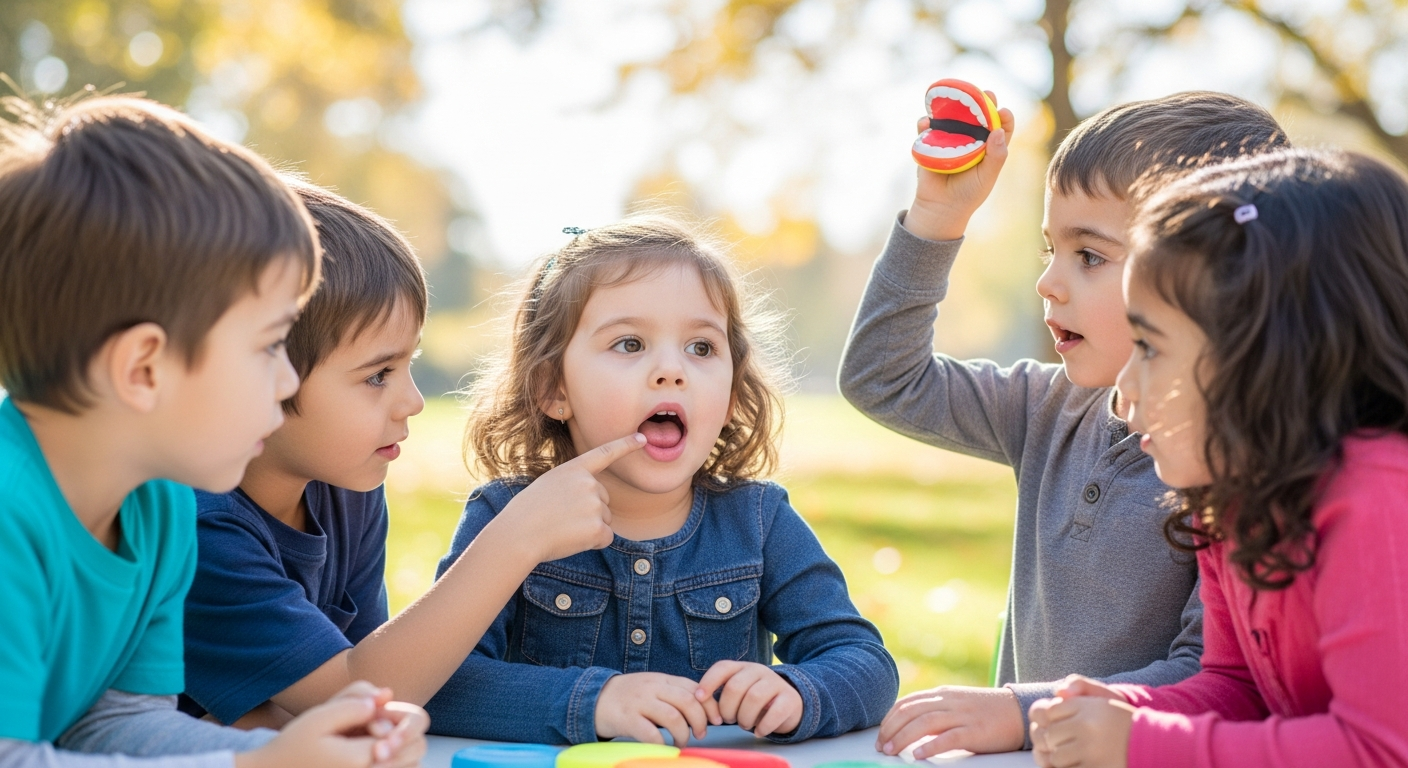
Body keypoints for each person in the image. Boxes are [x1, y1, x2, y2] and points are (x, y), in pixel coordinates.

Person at [839, 91, 1289, 757]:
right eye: (1052, 249)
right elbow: (884, 376)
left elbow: (1209, 674)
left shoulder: (1237, 464)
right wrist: (939, 215)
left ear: (1209, 280)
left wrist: (1024, 712)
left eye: (1090, 255)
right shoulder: (1045, 405)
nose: (1048, 282)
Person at [0, 94, 426, 768]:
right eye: (267, 348)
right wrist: (256, 764)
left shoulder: (159, 505)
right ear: (144, 368)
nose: (288, 384)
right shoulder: (9, 515)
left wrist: (293, 753)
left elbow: (112, 725)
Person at [423, 217, 899, 746]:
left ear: (734, 392)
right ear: (553, 388)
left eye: (701, 348)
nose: (671, 370)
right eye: (629, 344)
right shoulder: (508, 516)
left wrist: (797, 690)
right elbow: (439, 681)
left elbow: (866, 664)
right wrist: (597, 701)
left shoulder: (759, 522)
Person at [178, 180, 631, 731]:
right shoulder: (200, 528)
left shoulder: (347, 490)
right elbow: (368, 696)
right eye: (377, 375)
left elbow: (376, 675)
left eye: (408, 364)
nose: (412, 401)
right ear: (257, 373)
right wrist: (518, 536)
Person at [1028, 147, 1408, 768]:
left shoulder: (1374, 499)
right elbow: (1240, 691)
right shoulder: (1228, 501)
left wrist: (1140, 743)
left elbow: (1380, 750)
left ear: (1265, 356)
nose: (1123, 388)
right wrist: (1125, 710)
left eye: (1149, 345)